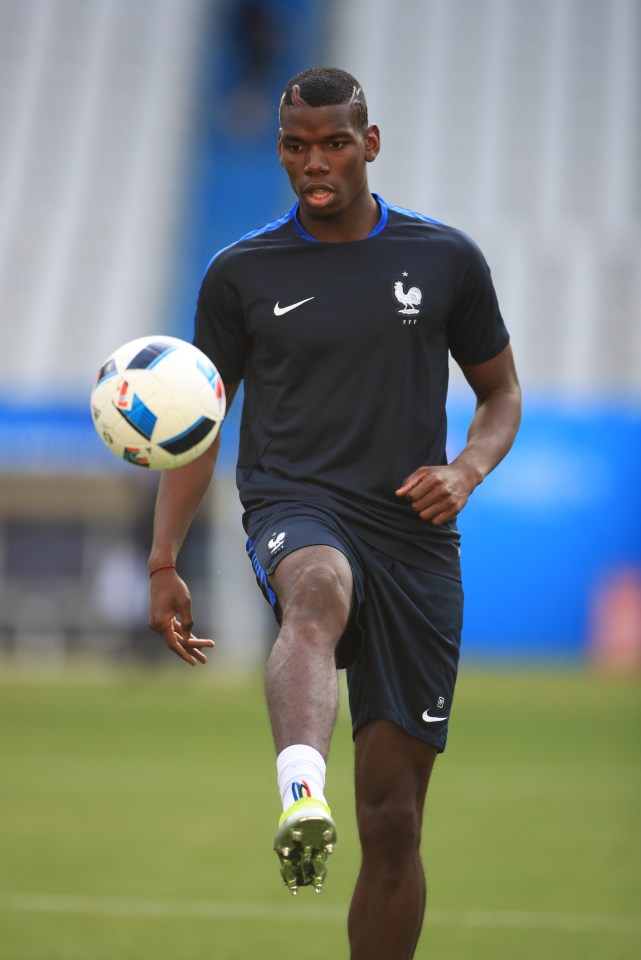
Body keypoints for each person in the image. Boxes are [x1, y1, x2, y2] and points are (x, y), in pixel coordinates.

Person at [148, 66, 521, 960]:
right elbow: (199, 426)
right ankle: (300, 790)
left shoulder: (445, 259)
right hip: (294, 502)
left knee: (393, 827)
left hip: (416, 538)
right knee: (315, 589)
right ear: (279, 147)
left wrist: (465, 471)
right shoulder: (239, 273)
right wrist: (164, 561)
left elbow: (500, 394)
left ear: (370, 143)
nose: (313, 162)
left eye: (333, 143)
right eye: (295, 145)